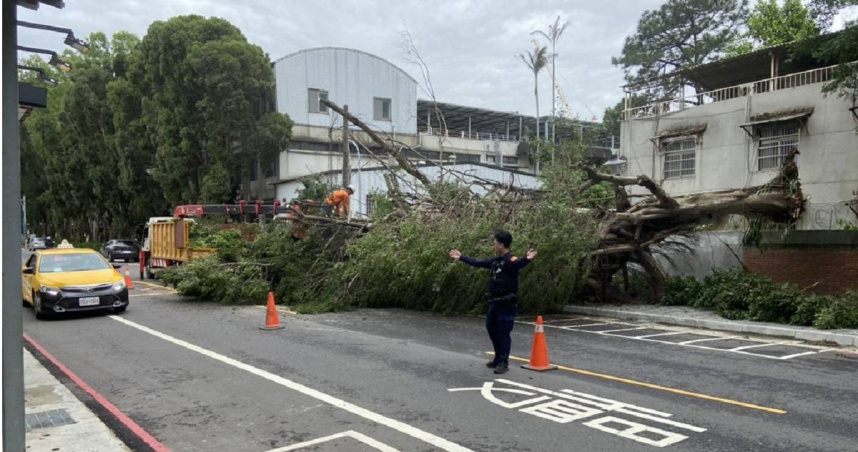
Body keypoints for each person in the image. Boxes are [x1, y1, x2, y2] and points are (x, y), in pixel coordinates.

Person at [449, 230, 536, 374]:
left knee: (503, 333)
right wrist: (462, 257)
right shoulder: (496, 261)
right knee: (492, 330)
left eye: (495, 242)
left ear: (501, 244)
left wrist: (527, 259)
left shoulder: (510, 260)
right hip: (494, 302)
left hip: (506, 304)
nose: (494, 245)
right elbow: (479, 263)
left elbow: (519, 264)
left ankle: (504, 362)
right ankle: (497, 358)